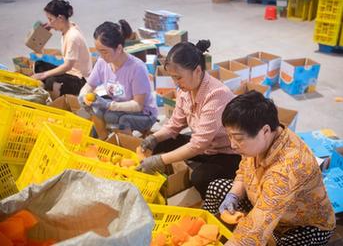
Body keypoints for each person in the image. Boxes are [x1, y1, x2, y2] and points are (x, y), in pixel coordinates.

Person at [204, 91, 336, 246]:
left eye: (238, 138)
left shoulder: (289, 168)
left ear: (265, 131)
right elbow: (244, 170)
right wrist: (233, 195)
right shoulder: (258, 142)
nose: (232, 144)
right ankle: (210, 232)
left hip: (300, 225)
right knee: (216, 188)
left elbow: (258, 225)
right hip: (264, 202)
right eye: (229, 136)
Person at [137, 40, 241, 199]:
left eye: (179, 77)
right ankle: (157, 177)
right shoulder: (184, 90)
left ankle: (217, 200)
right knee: (159, 144)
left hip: (226, 152)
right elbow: (174, 125)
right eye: (173, 78)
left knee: (200, 178)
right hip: (205, 147)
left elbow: (199, 144)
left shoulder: (217, 95)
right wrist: (154, 138)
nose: (176, 83)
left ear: (197, 71)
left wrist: (160, 160)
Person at [79, 20, 158, 138]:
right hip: (118, 106)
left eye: (104, 52)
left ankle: (127, 148)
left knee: (118, 119)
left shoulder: (137, 68)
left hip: (144, 113)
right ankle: (103, 140)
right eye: (99, 52)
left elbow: (138, 105)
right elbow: (89, 86)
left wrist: (109, 105)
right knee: (94, 109)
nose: (101, 56)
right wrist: (84, 95)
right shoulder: (102, 63)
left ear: (119, 48)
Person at [32, 0, 92, 100]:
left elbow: (67, 66)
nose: (49, 22)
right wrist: (49, 26)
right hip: (71, 72)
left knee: (51, 81)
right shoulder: (69, 25)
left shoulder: (72, 36)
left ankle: (53, 99)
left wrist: (44, 75)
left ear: (60, 18)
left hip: (80, 79)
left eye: (50, 19)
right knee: (39, 65)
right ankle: (47, 87)